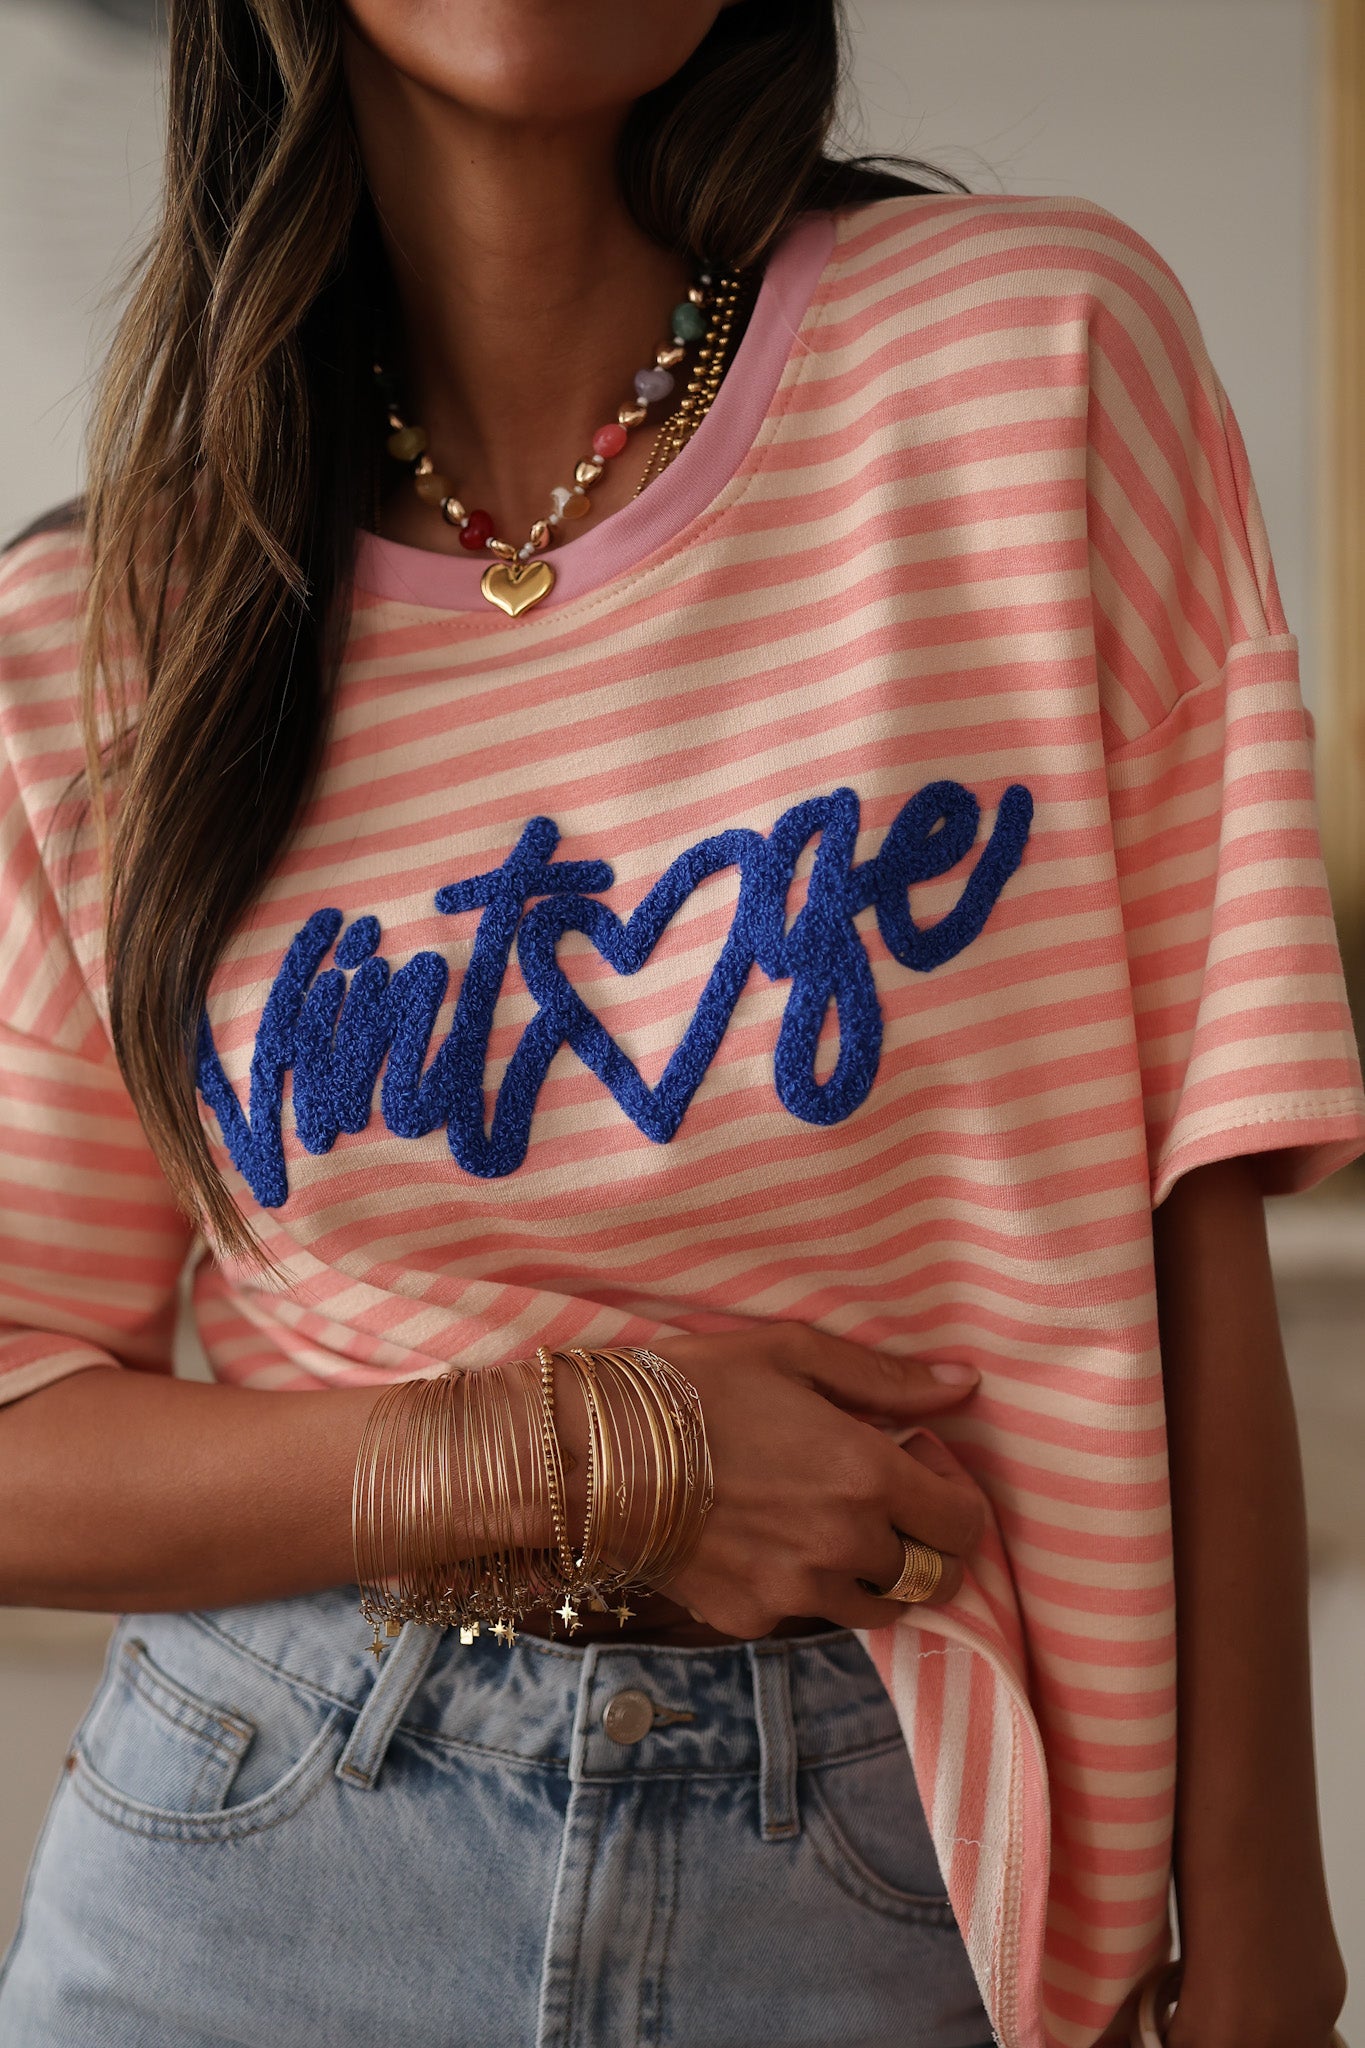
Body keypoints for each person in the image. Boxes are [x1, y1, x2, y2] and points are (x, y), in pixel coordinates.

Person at [0, 3, 1360, 2044]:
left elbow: (1194, 1212)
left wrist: (1264, 1946)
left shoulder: (1031, 363)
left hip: (896, 1860)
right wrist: (593, 1459)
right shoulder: (108, 635)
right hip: (260, 1862)